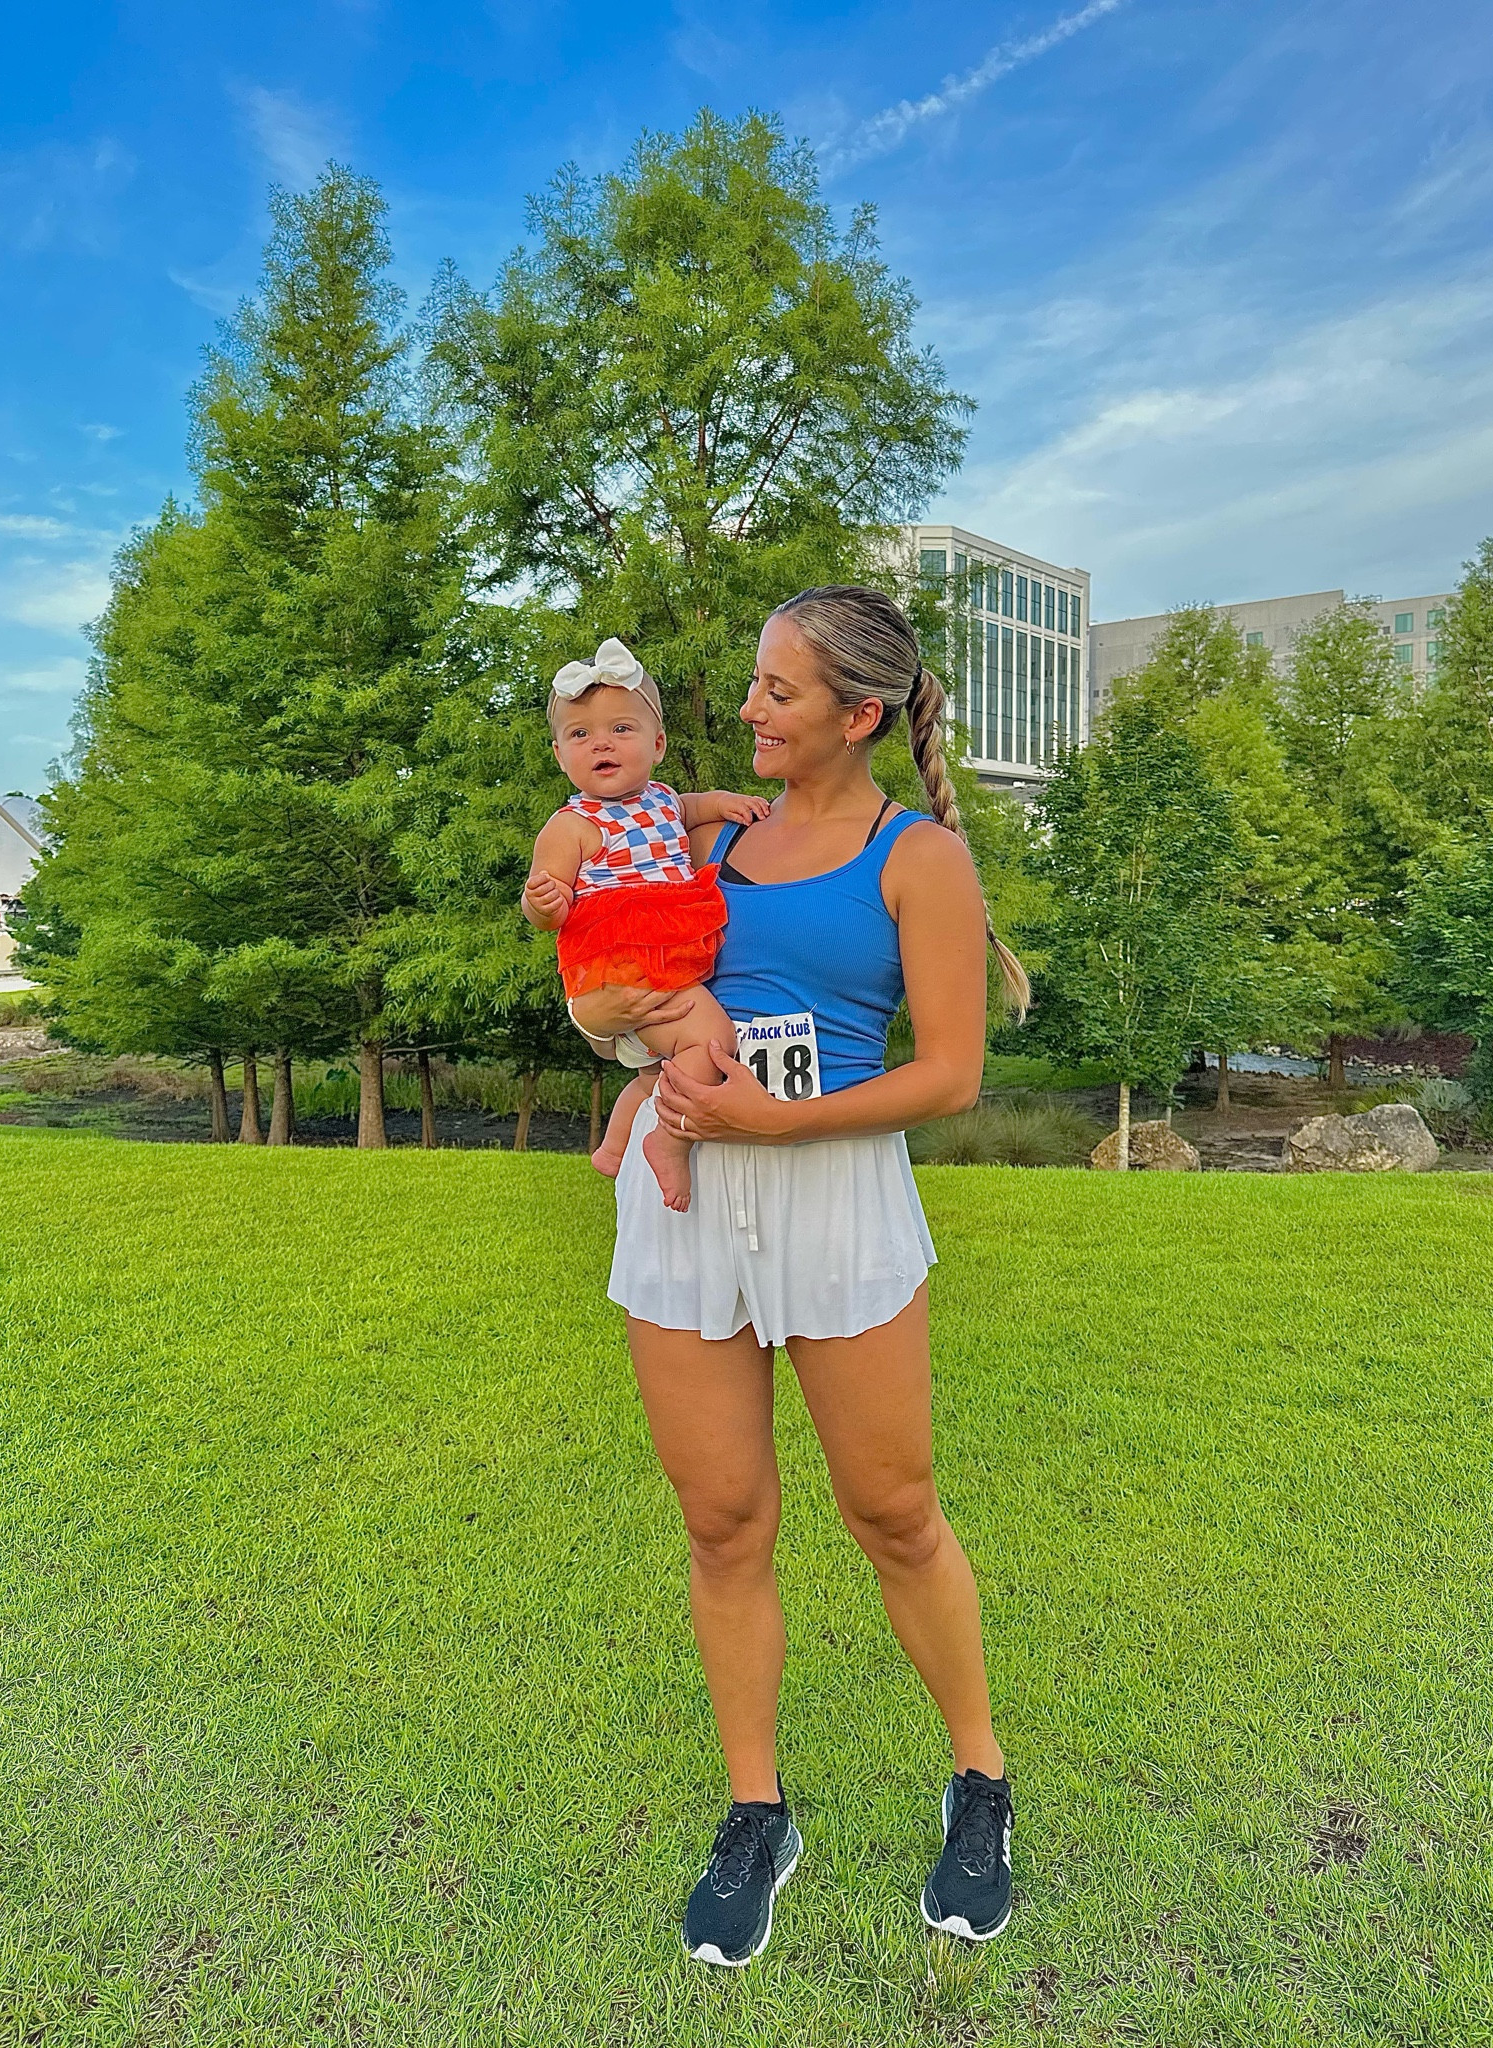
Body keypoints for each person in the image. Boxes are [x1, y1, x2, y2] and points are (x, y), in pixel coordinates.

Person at [569, 586, 1031, 1968]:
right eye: (755, 684)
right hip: (686, 1204)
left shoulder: (917, 859)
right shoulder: (703, 835)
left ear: (860, 713)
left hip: (834, 1194)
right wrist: (626, 1047)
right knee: (722, 1524)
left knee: (894, 1513)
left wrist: (778, 1123)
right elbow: (613, 981)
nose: (750, 708)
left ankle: (980, 1779)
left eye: (778, 689)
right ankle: (757, 1811)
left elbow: (950, 1075)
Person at [522, 637, 767, 1210]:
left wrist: (723, 803)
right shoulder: (571, 826)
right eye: (580, 735)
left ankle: (615, 1144)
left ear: (657, 744)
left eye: (621, 729)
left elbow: (691, 806)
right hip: (629, 962)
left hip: (663, 957)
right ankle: (669, 1140)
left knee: (661, 1069)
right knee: (711, 1040)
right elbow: (542, 907)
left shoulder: (661, 800)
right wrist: (545, 902)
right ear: (559, 754)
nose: (601, 743)